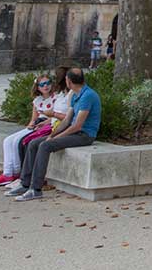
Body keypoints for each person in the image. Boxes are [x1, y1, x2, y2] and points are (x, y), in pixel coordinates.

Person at [8, 68, 102, 201]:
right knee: (34, 143)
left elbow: (77, 126)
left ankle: (36, 189)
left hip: (84, 135)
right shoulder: (75, 95)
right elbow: (67, 120)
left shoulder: (88, 96)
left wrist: (56, 138)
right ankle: (25, 183)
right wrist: (52, 134)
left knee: (45, 146)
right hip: (73, 132)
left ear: (68, 81)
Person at [0, 69, 69, 187]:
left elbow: (55, 116)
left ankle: (17, 172)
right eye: (42, 84)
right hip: (37, 124)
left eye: (48, 83)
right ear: (37, 87)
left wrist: (46, 122)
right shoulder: (37, 101)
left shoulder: (55, 98)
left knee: (22, 141)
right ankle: (8, 172)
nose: (45, 86)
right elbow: (33, 118)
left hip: (47, 124)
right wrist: (30, 125)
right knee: (9, 140)